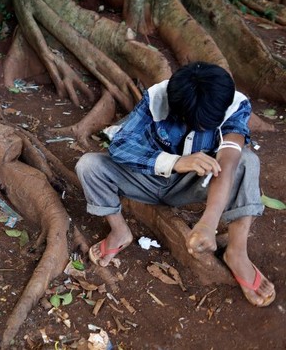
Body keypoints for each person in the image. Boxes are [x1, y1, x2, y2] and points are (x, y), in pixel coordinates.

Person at [75, 62, 275, 307]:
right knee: (89, 165)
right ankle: (119, 231)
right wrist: (177, 162)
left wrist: (208, 223)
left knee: (247, 161)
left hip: (195, 185)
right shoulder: (158, 97)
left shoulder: (235, 104)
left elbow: (229, 162)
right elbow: (119, 145)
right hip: (147, 179)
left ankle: (237, 252)